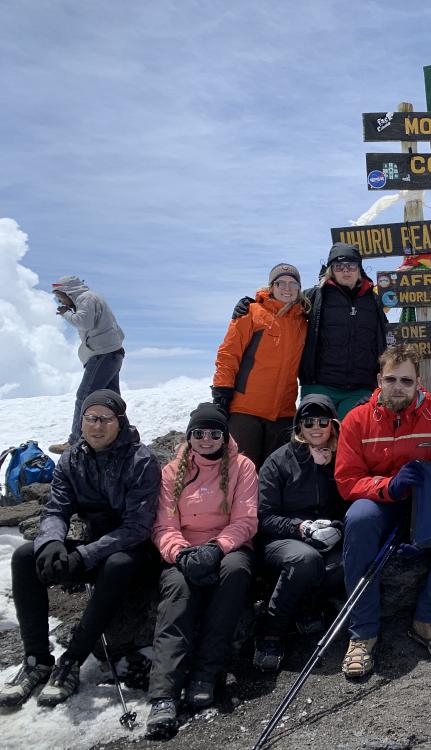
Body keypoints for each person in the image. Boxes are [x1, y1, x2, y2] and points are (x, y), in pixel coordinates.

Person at [0, 390, 159, 709]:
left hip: (136, 552)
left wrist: (83, 556)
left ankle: (71, 661)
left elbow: (137, 527)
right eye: (90, 418)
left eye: (105, 419)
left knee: (117, 564)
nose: (96, 426)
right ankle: (37, 660)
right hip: (97, 547)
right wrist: (51, 544)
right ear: (82, 420)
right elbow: (56, 509)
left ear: (120, 421)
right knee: (24, 556)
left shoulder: (141, 460)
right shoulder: (72, 459)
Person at [335, 344, 431, 678]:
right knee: (359, 519)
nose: (399, 387)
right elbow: (347, 479)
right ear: (379, 379)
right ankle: (363, 632)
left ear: (417, 382)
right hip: (379, 500)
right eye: (392, 379)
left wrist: (421, 508)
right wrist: (388, 486)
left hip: (422, 500)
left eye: (406, 381)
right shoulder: (357, 419)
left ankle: (429, 619)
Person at [145, 403, 258, 739]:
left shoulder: (242, 467)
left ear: (224, 437)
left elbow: (245, 520)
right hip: (184, 550)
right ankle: (164, 695)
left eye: (214, 433)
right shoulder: (171, 472)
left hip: (229, 548)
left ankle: (207, 674)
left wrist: (215, 548)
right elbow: (163, 524)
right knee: (178, 592)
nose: (206, 439)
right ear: (190, 436)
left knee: (235, 574)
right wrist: (180, 554)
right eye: (199, 433)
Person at [254, 394, 349, 672]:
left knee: (345, 563)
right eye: (308, 421)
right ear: (298, 425)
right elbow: (265, 515)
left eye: (323, 421)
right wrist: (302, 528)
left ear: (333, 424)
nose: (316, 427)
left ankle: (309, 605)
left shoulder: (342, 456)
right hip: (281, 540)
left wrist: (338, 527)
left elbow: (350, 501)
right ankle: (271, 632)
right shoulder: (279, 461)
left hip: (327, 536)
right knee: (305, 560)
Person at [212, 263, 308, 468]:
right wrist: (221, 392)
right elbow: (229, 354)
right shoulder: (251, 312)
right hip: (246, 411)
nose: (287, 288)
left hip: (283, 414)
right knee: (241, 472)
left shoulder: (302, 321)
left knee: (275, 475)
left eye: (293, 284)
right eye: (281, 282)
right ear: (271, 286)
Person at [299, 243, 390, 416]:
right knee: (316, 438)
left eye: (351, 265)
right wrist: (255, 301)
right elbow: (280, 309)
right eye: (339, 266)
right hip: (319, 385)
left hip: (360, 388)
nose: (346, 270)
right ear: (331, 270)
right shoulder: (314, 296)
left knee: (355, 440)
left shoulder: (373, 300)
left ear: (359, 269)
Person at [48, 276, 125, 455]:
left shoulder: (85, 298)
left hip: (102, 353)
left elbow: (84, 322)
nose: (60, 301)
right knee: (112, 397)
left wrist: (66, 312)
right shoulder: (91, 298)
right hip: (112, 352)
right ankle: (121, 434)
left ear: (69, 291)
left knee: (84, 395)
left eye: (60, 296)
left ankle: (75, 440)